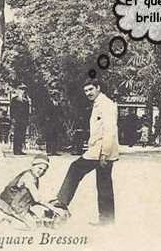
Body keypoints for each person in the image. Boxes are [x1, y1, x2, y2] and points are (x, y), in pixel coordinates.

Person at [51, 77, 119, 225]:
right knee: (104, 184)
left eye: (90, 89)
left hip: (101, 151)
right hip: (100, 150)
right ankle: (107, 220)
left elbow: (110, 131)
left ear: (98, 87)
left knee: (75, 168)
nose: (88, 93)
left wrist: (105, 154)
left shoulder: (106, 104)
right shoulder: (98, 104)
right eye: (86, 91)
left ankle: (62, 200)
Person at [0, 154, 62, 229]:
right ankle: (8, 220)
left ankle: (13, 219)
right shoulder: (28, 177)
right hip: (9, 204)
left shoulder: (34, 176)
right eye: (40, 168)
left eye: (44, 170)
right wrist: (55, 209)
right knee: (32, 226)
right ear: (33, 165)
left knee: (37, 219)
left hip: (19, 205)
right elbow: (37, 199)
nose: (41, 171)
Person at [10, 83, 30, 155]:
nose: (22, 91)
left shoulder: (26, 101)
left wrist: (27, 120)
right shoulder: (14, 100)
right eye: (21, 89)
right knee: (17, 135)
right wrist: (12, 118)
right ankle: (16, 150)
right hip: (17, 119)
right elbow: (11, 110)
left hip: (23, 120)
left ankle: (20, 149)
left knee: (22, 135)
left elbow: (27, 111)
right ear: (18, 90)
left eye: (24, 90)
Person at [44, 90, 64, 156]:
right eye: (55, 96)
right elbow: (45, 112)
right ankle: (49, 151)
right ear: (53, 96)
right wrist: (47, 119)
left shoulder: (58, 104)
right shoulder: (48, 103)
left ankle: (54, 151)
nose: (57, 97)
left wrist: (61, 120)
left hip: (56, 123)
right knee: (49, 136)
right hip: (50, 123)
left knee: (55, 136)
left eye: (57, 96)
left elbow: (61, 113)